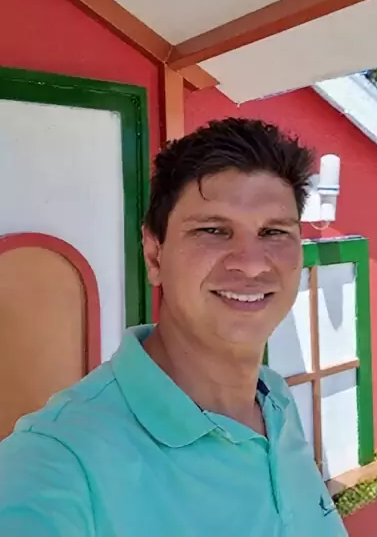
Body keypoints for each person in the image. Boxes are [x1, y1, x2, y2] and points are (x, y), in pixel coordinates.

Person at [0, 117, 347, 536]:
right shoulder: (54, 465)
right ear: (154, 255)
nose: (252, 264)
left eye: (274, 231)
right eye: (213, 230)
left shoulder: (275, 402)